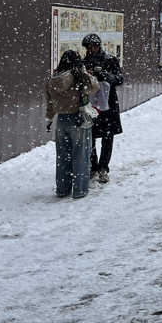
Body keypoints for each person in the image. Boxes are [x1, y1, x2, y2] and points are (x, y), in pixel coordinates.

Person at [45, 50, 99, 199]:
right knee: (81, 155)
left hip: (61, 121)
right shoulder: (78, 77)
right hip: (79, 119)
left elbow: (50, 102)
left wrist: (49, 118)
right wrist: (84, 72)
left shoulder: (53, 79)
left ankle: (62, 189)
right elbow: (95, 86)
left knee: (63, 157)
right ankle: (80, 190)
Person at [82, 33, 124, 184]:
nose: (90, 50)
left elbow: (119, 79)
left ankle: (103, 168)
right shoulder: (84, 62)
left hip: (108, 105)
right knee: (90, 136)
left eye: (92, 46)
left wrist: (103, 74)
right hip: (91, 106)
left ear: (98, 45)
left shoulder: (110, 59)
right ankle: (93, 166)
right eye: (88, 47)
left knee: (108, 137)